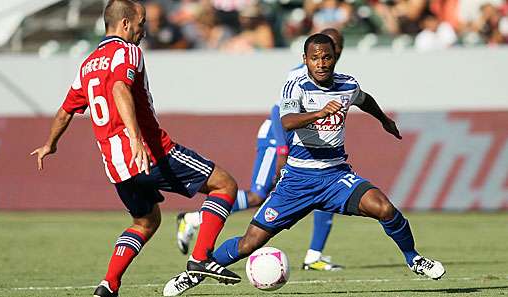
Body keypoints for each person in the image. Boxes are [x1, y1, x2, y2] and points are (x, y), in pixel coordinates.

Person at [163, 33, 446, 296]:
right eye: (315, 58)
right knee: (250, 243)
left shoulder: (348, 85)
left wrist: (383, 119)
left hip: (336, 176)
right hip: (297, 181)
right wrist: (319, 112)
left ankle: (415, 259)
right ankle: (194, 273)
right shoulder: (295, 87)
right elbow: (285, 121)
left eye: (327, 57)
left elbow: (364, 99)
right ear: (305, 59)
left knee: (384, 208)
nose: (321, 64)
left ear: (335, 57)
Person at [30, 1, 240, 297]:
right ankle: (201, 257)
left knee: (146, 221)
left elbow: (66, 111)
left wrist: (49, 145)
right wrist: (135, 138)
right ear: (125, 24)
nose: (144, 30)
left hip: (116, 167)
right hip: (150, 153)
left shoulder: (87, 64)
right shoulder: (128, 52)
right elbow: (119, 89)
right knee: (225, 185)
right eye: (141, 23)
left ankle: (109, 284)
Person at [176, 28, 346, 272]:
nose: (336, 50)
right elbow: (278, 112)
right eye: (333, 45)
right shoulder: (301, 74)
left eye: (338, 46)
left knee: (324, 191)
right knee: (258, 195)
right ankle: (194, 219)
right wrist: (282, 151)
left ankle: (313, 255)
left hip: (299, 144)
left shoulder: (331, 76)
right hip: (278, 138)